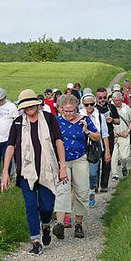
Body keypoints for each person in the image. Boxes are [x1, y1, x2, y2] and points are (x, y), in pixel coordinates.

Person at [1, 89, 67, 256]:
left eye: (31, 104)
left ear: (37, 104)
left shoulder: (50, 119)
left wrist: (63, 166)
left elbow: (58, 141)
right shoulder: (17, 123)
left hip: (48, 170)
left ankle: (45, 225)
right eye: (26, 106)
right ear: (22, 108)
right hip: (26, 172)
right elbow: (10, 147)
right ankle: (35, 240)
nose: (29, 108)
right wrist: (5, 172)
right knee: (31, 206)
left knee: (46, 206)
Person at [53, 94, 101, 239]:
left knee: (81, 190)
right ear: (61, 109)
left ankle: (78, 224)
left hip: (80, 158)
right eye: (65, 111)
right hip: (62, 160)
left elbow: (97, 136)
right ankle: (60, 224)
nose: (68, 114)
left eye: (71, 111)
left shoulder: (84, 120)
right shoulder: (56, 122)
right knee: (62, 189)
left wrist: (87, 131)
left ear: (76, 108)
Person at [79, 90, 110, 205]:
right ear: (83, 105)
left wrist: (107, 152)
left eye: (92, 104)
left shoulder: (100, 117)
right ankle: (82, 195)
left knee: (92, 173)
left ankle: (92, 189)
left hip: (95, 148)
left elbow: (105, 135)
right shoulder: (78, 116)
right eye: (87, 105)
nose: (89, 107)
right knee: (82, 174)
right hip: (81, 148)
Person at [94, 87, 119, 193]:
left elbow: (118, 121)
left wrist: (112, 120)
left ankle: (104, 185)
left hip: (109, 135)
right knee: (95, 160)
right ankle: (94, 185)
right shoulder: (93, 107)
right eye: (100, 97)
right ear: (97, 97)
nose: (102, 99)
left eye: (104, 97)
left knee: (107, 160)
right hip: (97, 136)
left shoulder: (111, 107)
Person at [110, 89, 131, 179]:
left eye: (118, 100)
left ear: (121, 99)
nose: (117, 102)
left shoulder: (126, 108)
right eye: (115, 100)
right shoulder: (110, 108)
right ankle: (114, 174)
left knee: (124, 157)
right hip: (113, 135)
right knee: (113, 156)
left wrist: (128, 131)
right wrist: (112, 133)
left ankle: (124, 167)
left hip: (124, 134)